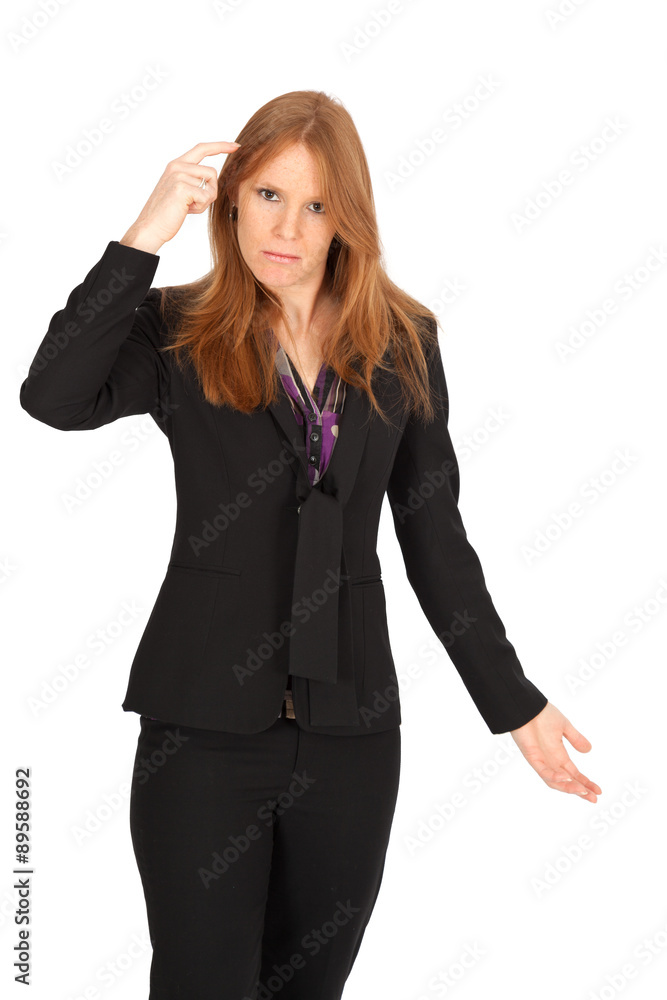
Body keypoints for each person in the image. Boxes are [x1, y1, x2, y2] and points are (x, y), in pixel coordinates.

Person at [19, 90, 601, 1000]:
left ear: (347, 219)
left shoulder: (403, 341)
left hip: (351, 738)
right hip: (202, 734)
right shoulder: (177, 329)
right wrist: (142, 236)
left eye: (317, 204)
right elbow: (53, 396)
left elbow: (434, 536)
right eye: (267, 195)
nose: (287, 228)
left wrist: (513, 703)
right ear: (231, 199)